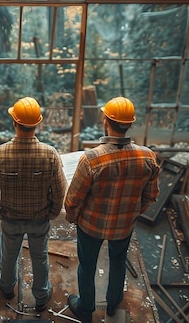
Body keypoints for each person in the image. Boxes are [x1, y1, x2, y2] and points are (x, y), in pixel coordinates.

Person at [64, 96, 160, 323]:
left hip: (90, 226)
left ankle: (85, 309)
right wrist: (133, 212)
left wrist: (72, 217)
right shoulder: (147, 156)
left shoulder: (91, 159)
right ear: (130, 124)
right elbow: (151, 195)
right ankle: (113, 303)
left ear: (105, 119)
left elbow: (72, 200)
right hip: (124, 226)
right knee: (118, 261)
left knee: (87, 266)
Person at [0, 96, 67, 312]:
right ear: (38, 123)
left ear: (14, 122)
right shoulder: (50, 154)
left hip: (10, 218)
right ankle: (40, 296)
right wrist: (53, 212)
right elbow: (59, 191)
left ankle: (7, 288)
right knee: (40, 257)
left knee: (9, 255)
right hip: (40, 218)